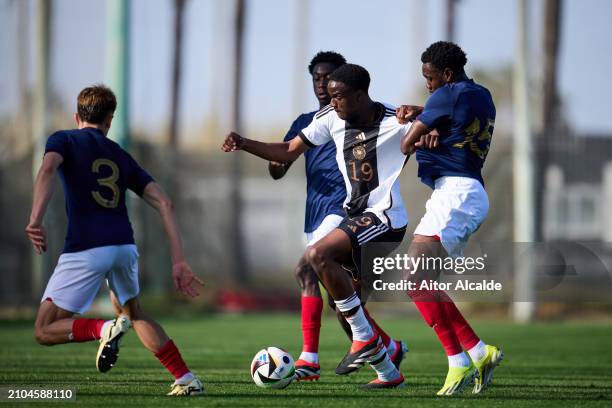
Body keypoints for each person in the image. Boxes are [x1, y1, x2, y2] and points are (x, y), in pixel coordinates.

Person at [223, 64, 416, 389]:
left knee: (316, 255)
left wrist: (423, 114)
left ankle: (343, 347)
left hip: (385, 218)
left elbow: (440, 122)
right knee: (344, 307)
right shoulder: (330, 119)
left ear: (359, 95)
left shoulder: (394, 120)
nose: (332, 100)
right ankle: (388, 372)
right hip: (355, 219)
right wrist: (244, 142)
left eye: (339, 96)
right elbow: (286, 151)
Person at [26, 85, 205, 396]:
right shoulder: (120, 155)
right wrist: (179, 260)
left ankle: (102, 329)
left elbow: (47, 169)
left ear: (76, 116)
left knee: (43, 329)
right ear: (110, 120)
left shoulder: (63, 139)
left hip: (85, 247)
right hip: (124, 246)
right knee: (134, 313)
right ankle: (187, 379)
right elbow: (165, 203)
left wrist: (35, 219)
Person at [268, 52, 407, 381]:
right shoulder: (308, 122)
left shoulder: (353, 116)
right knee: (341, 300)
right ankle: (387, 355)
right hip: (313, 211)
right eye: (317, 78)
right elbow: (281, 163)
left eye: (329, 78)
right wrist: (273, 156)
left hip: (342, 209)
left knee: (308, 264)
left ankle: (309, 358)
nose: (322, 84)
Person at [398, 41, 503, 395]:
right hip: (464, 192)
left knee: (415, 278)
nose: (427, 84)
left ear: (446, 74)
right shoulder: (481, 94)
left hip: (457, 193)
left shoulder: (445, 95)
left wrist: (420, 126)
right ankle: (474, 352)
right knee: (423, 281)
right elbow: (455, 124)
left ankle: (463, 358)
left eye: (429, 77)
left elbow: (406, 145)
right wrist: (425, 117)